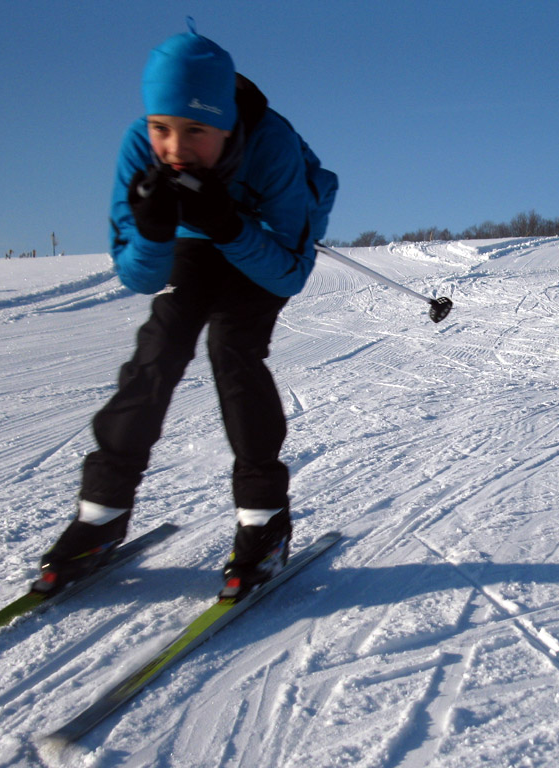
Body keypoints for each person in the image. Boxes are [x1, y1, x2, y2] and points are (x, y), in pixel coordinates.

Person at [35, 20, 336, 599]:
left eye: (195, 130)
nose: (174, 148)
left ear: (224, 125)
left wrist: (227, 222)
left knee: (234, 350)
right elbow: (139, 276)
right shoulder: (137, 149)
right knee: (160, 346)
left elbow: (289, 271)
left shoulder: (272, 145)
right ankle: (100, 516)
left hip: (263, 241)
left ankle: (264, 522)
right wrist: (151, 231)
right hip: (195, 241)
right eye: (161, 128)